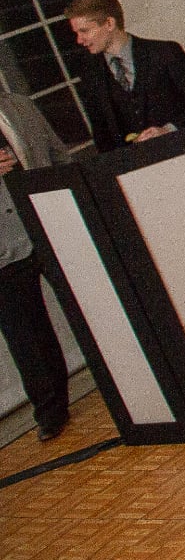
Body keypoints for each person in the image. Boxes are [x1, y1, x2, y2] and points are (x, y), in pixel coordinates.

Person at [0, 88, 74, 440]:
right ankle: (51, 412)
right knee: (26, 336)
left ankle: (124, 387)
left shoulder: (19, 105)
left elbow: (58, 155)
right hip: (3, 250)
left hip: (49, 227)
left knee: (87, 309)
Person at [63, 0, 185, 152]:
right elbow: (103, 137)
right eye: (77, 33)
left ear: (109, 23)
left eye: (84, 31)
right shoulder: (91, 74)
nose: (79, 40)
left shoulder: (166, 53)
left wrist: (169, 129)